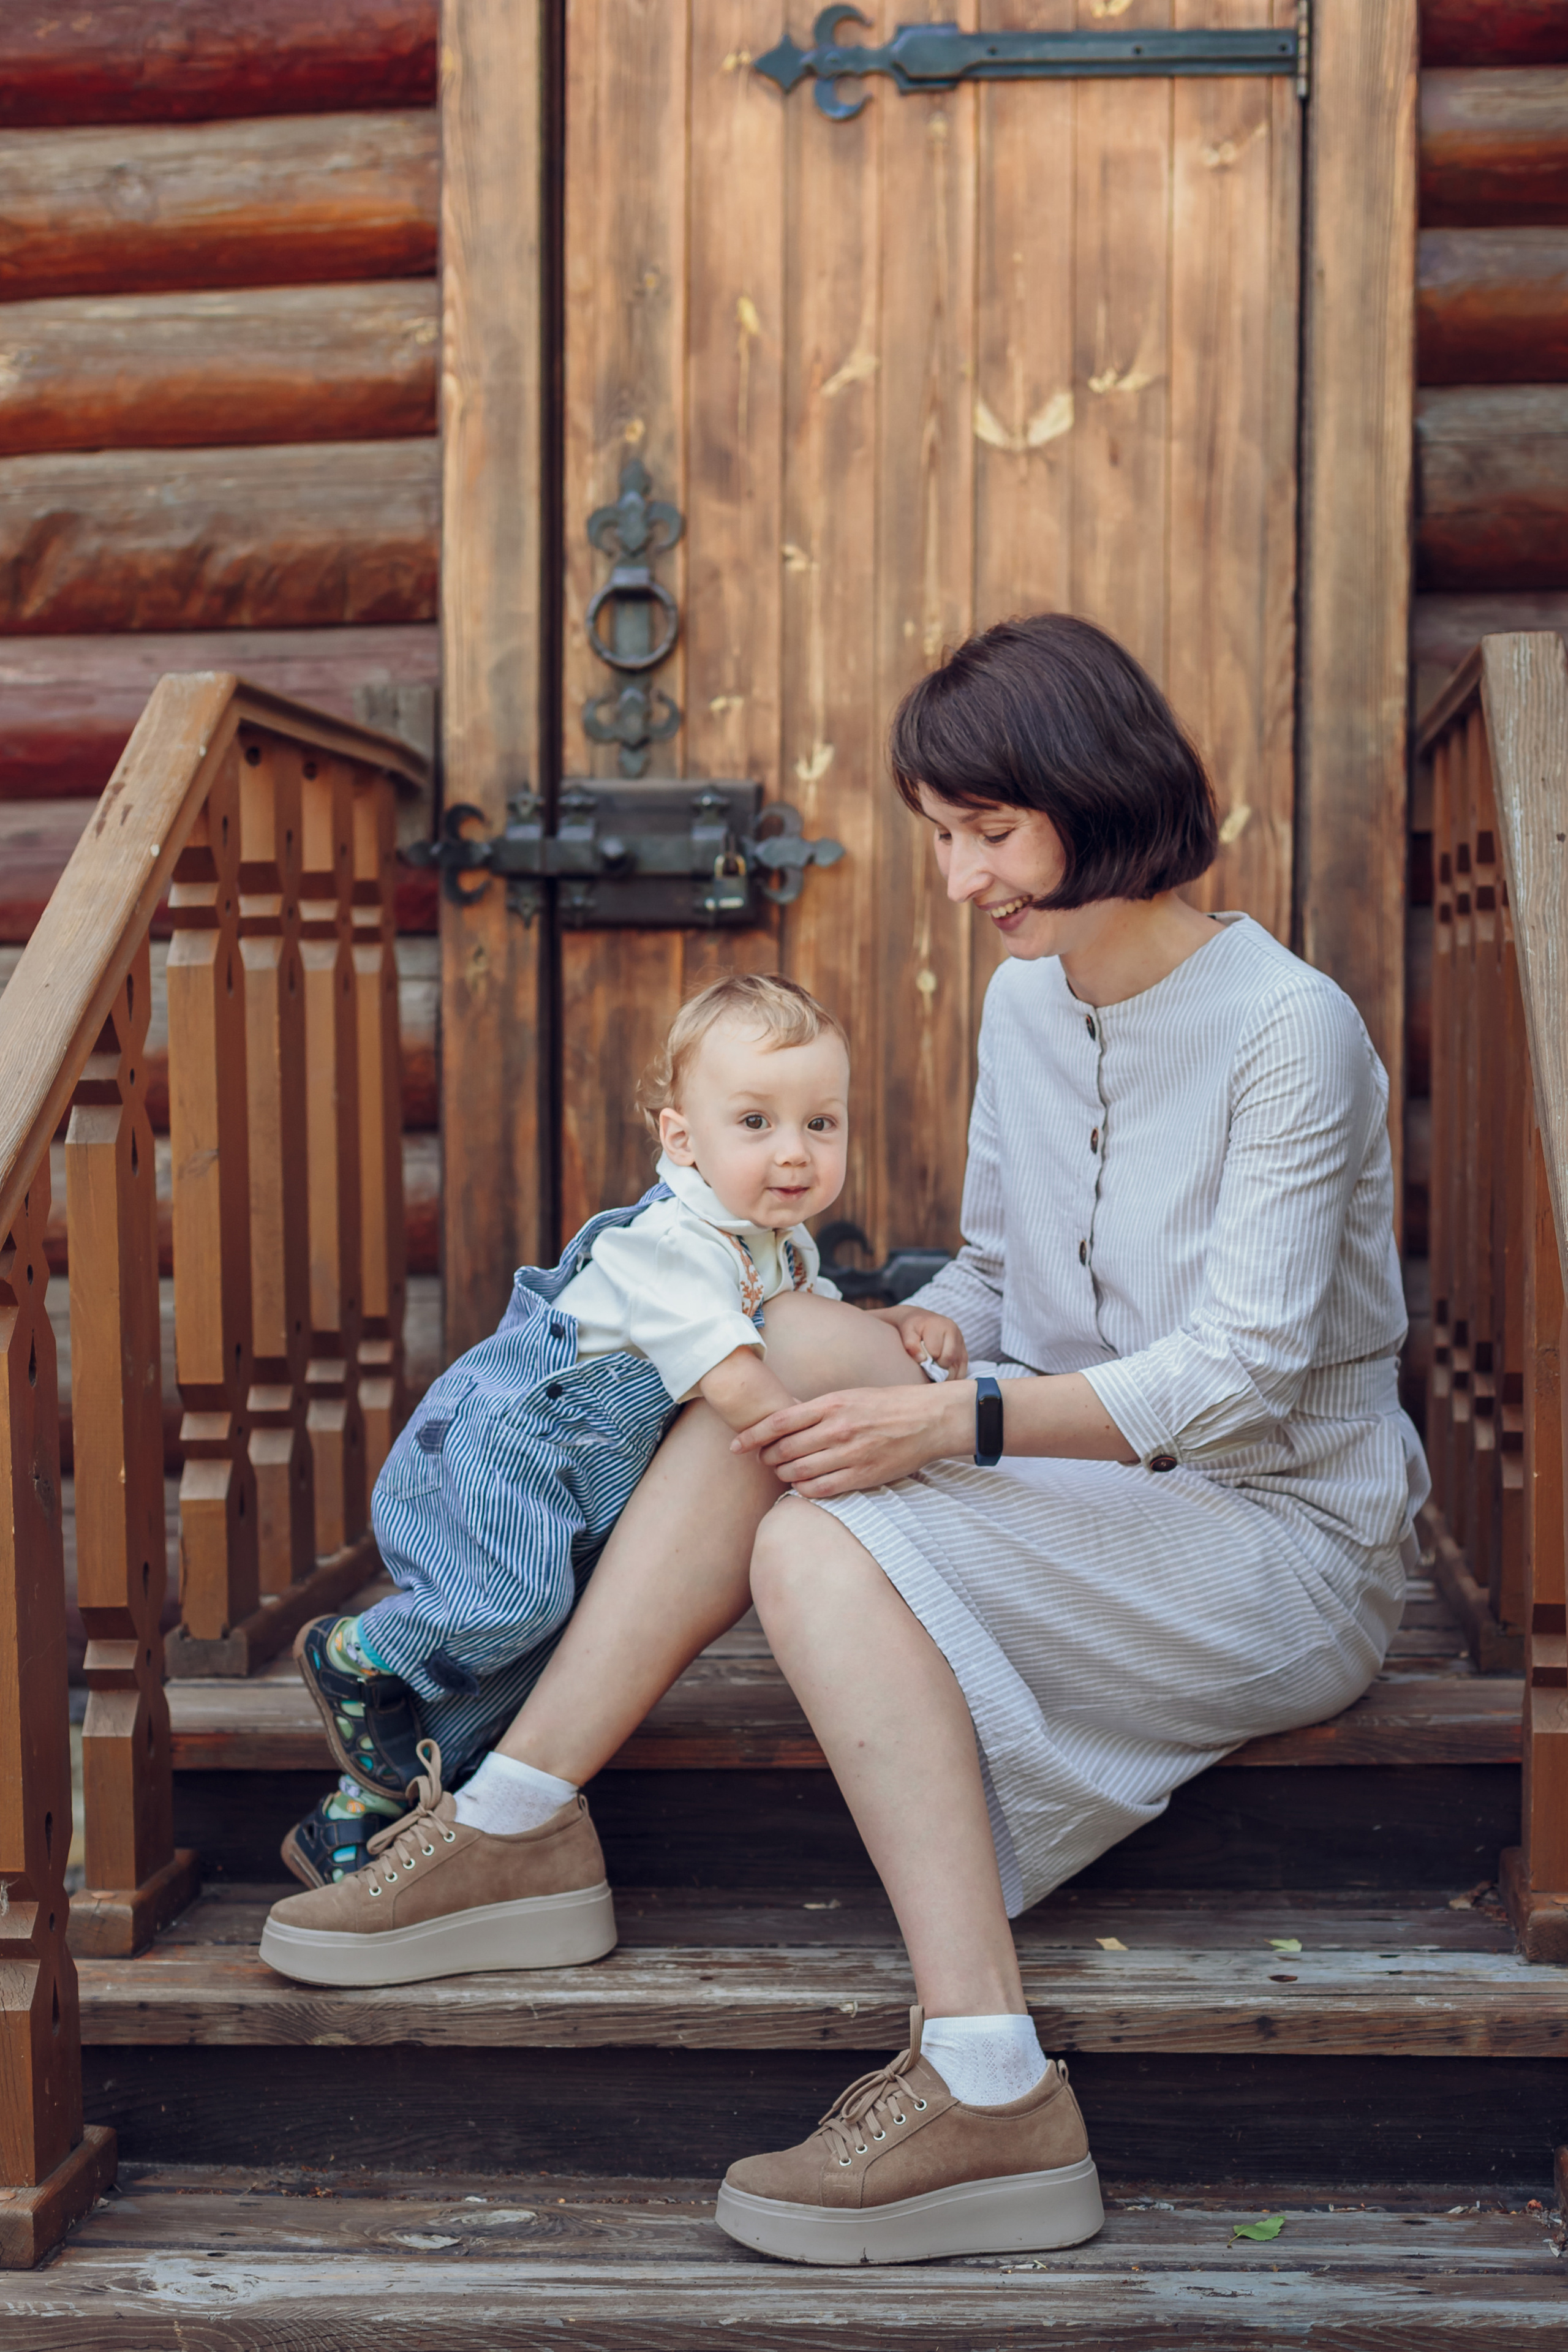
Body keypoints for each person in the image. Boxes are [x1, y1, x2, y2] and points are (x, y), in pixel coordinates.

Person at [269, 611, 1428, 2269]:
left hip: (1274, 1538)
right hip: (1069, 1484)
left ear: (1104, 797)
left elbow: (1238, 1380)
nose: (961, 882)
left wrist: (943, 1413)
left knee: (809, 1530)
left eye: (990, 834)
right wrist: (923, 1332)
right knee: (770, 1353)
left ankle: (975, 2070)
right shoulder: (1034, 1006)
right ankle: (522, 1822)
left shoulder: (1286, 1029)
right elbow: (1005, 1273)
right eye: (942, 838)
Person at [261, 971, 965, 1956]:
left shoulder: (781, 1244)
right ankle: (358, 1654)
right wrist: (846, 1455)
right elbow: (749, 1393)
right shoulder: (677, 1243)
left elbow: (817, 1321)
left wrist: (892, 1321)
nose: (796, 1153)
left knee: (518, 1673)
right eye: (756, 1122)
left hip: (590, 1476)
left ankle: (354, 1823)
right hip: (513, 1449)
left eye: (823, 1122)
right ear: (683, 1139)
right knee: (509, 1612)